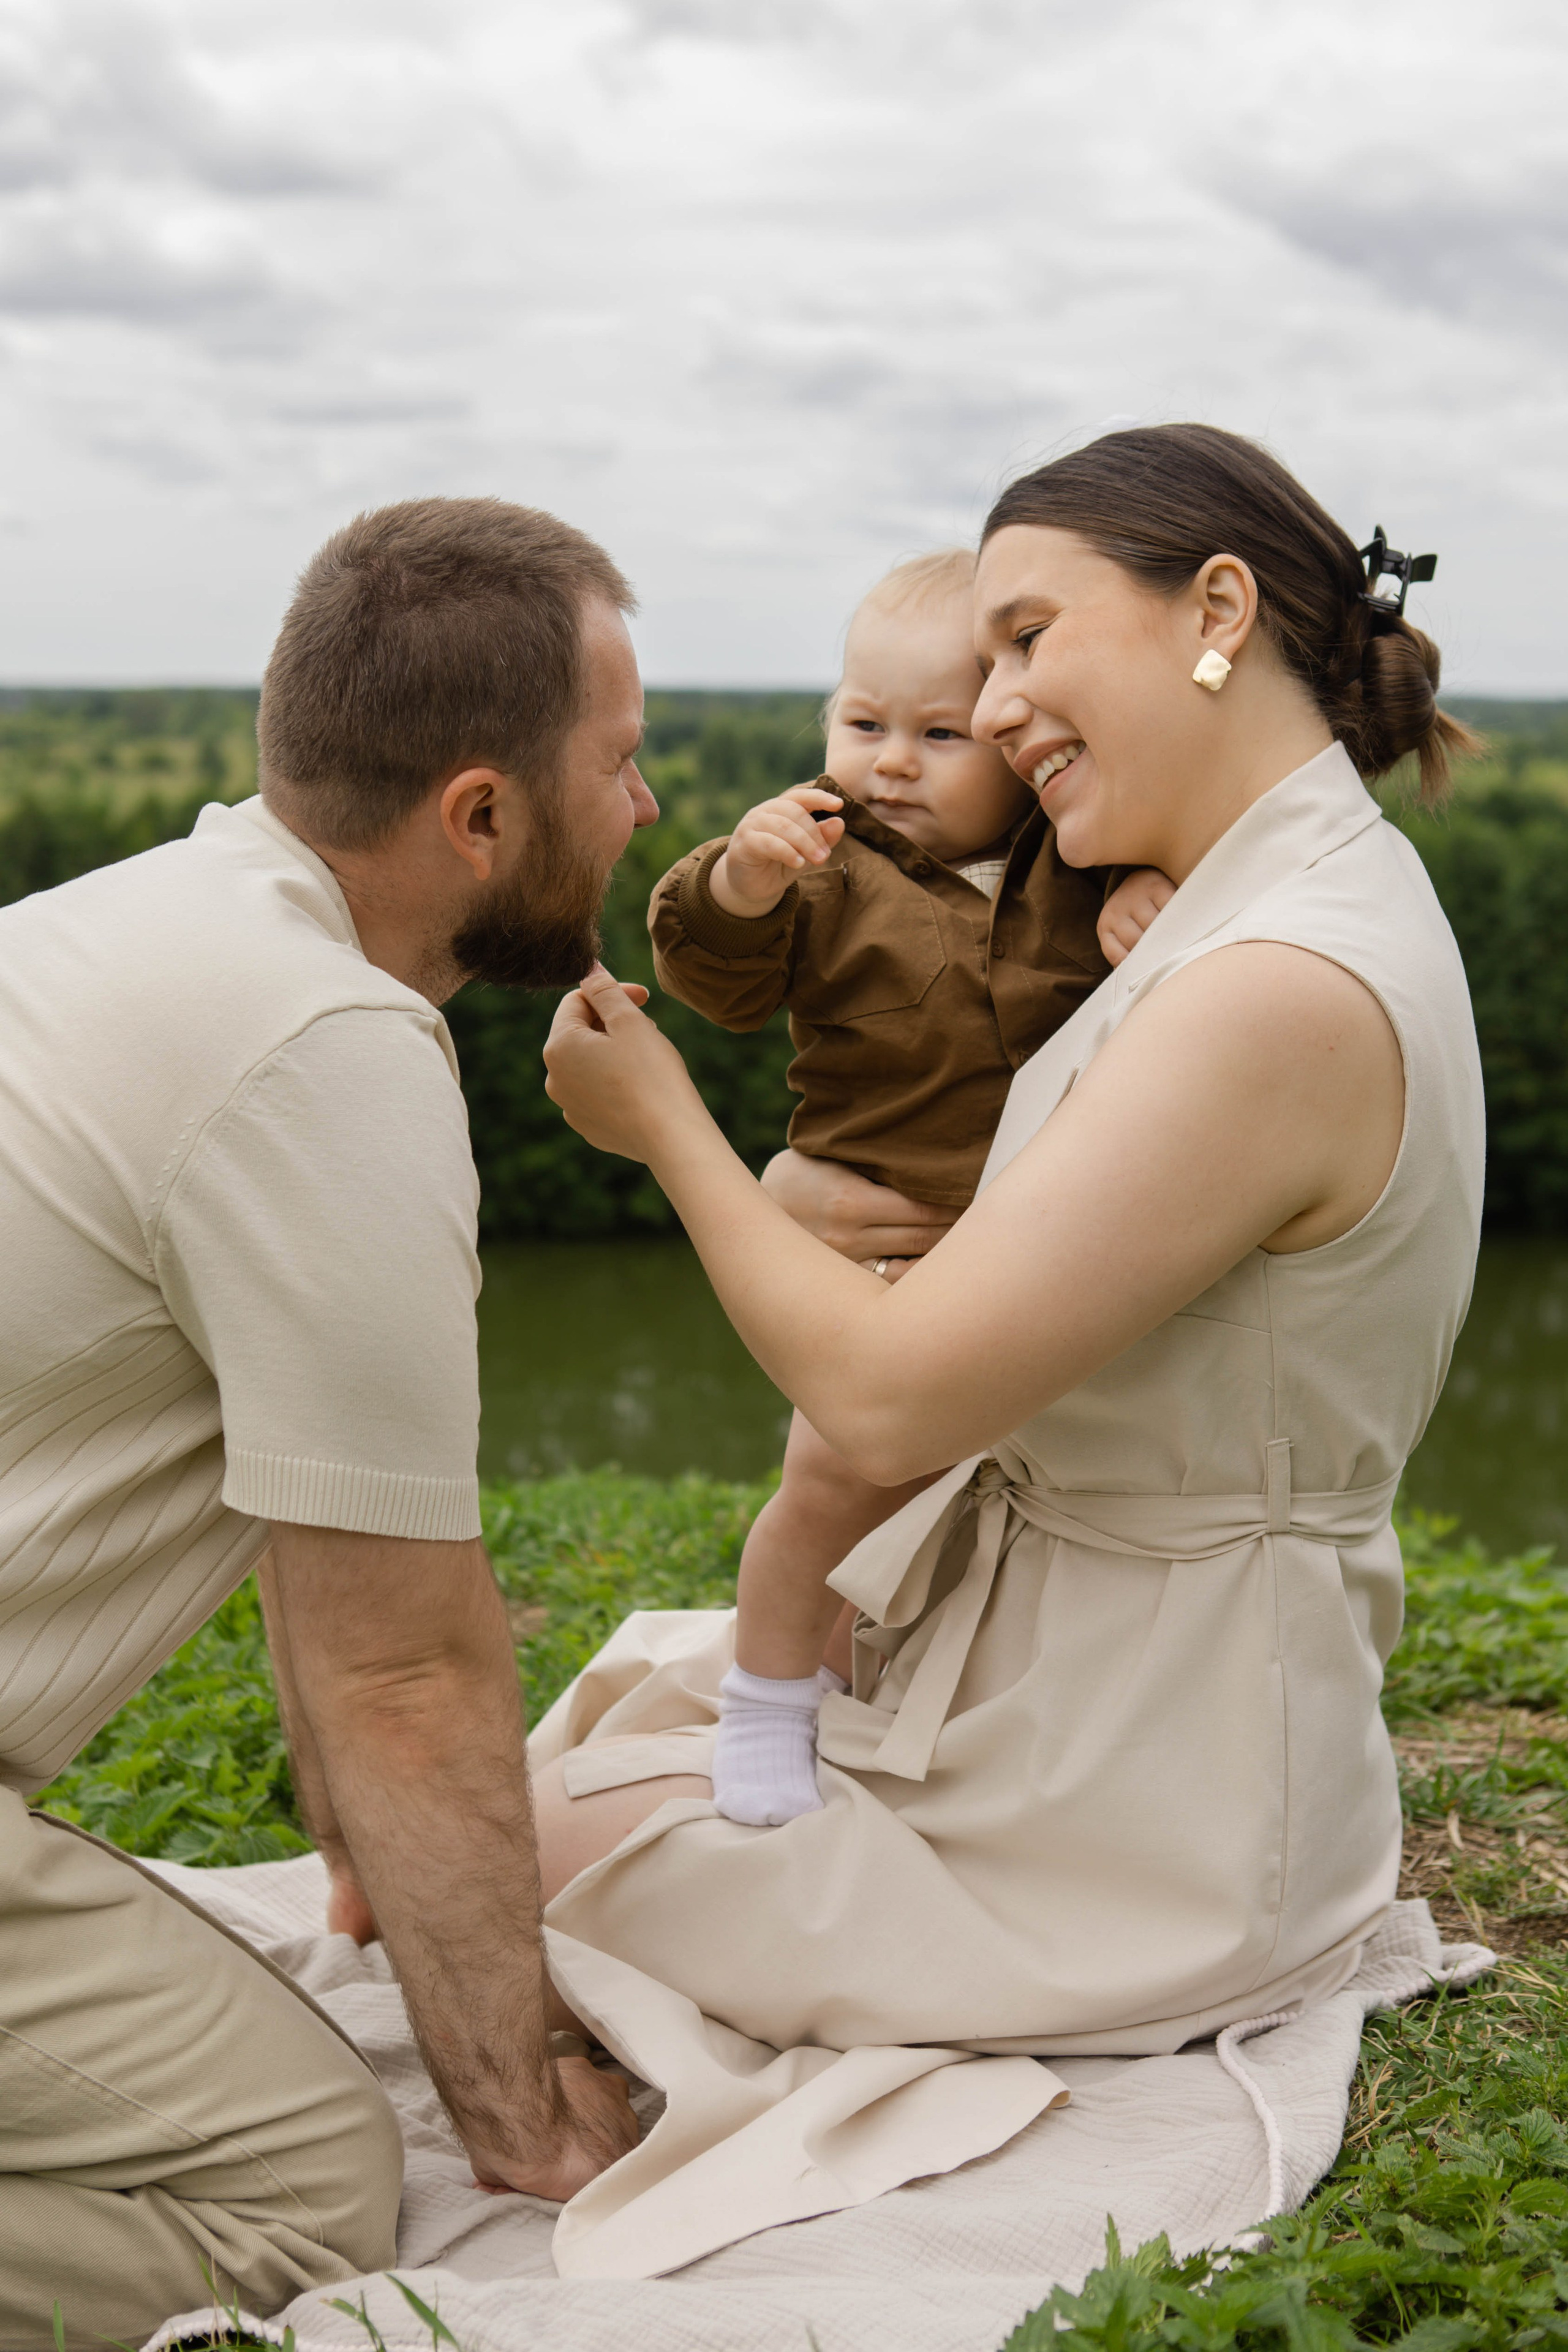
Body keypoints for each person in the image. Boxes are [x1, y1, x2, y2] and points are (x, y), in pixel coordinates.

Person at [522, 424, 1487, 2270]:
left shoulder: (1272, 981)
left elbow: (890, 1391)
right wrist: (814, 1203)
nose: (1003, 696)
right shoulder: (1245, 907)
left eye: (1032, 636)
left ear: (1218, 611)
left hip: (1153, 1797)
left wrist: (672, 1134)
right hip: (1088, 1685)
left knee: (533, 1841)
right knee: (617, 1738)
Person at [0, 496, 655, 2342]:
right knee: (299, 2183)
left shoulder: (147, 919)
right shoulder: (330, 1054)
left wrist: (368, 1866)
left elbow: (317, 1531)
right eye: (622, 762)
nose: (649, 808)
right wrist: (519, 2117)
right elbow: (405, 1672)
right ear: (481, 816)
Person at [648, 548, 1170, 1824]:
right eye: (860, 720)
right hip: (875, 1248)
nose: (889, 759)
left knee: (1007, 1491)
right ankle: (769, 1697)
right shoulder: (821, 862)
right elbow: (709, 974)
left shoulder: (1078, 858)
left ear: (1018, 740)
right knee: (832, 1480)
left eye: (939, 733)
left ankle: (902, 1679)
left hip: (1046, 1244)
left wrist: (1156, 895)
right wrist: (739, 880)